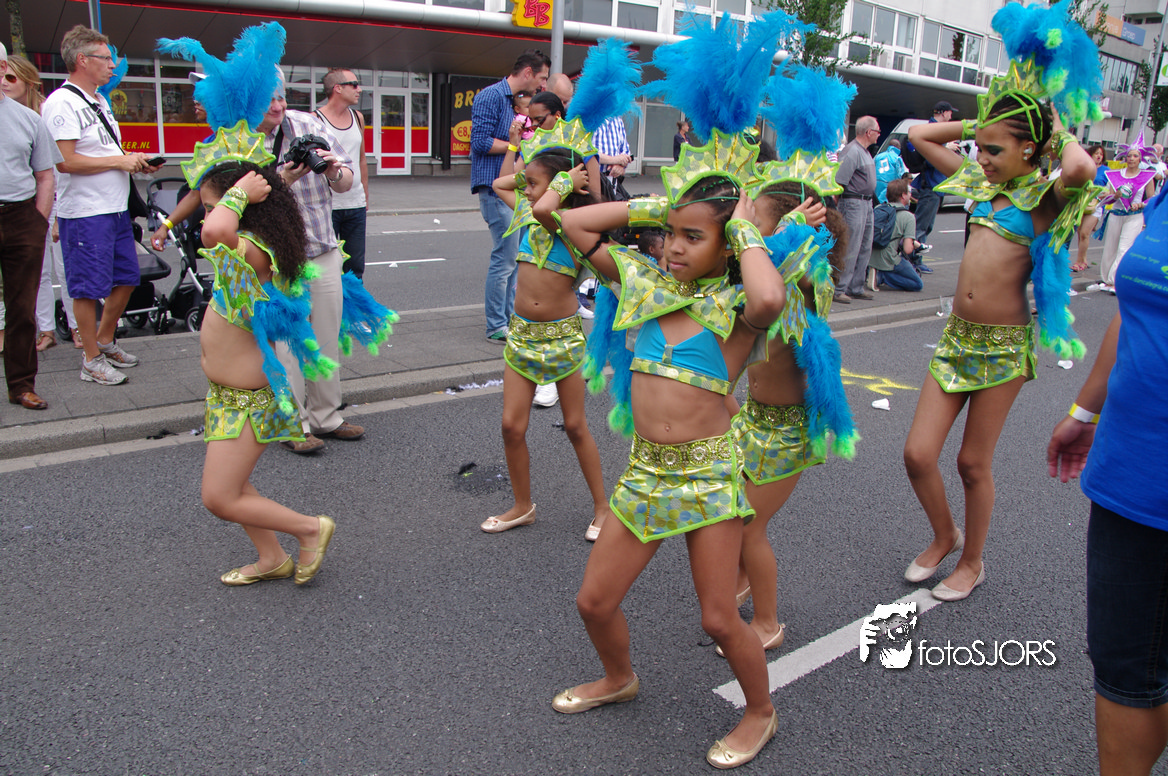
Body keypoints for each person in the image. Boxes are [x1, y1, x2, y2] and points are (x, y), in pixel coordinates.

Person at [901, 2, 1101, 602]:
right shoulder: (975, 184)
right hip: (956, 340)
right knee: (917, 454)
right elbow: (918, 135)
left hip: (1003, 348)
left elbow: (1081, 168)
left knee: (972, 463)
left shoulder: (1043, 200)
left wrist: (1052, 126)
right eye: (980, 148)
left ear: (1030, 150)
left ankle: (973, 562)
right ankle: (945, 535)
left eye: (994, 150)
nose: (982, 159)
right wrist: (980, 123)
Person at [1047, 182, 1168, 776]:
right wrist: (1086, 409)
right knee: (1125, 669)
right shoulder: (1163, 199)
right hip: (1133, 474)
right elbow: (1138, 308)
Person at [196, 159, 336, 587]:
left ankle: (309, 529)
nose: (208, 214)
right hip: (227, 395)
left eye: (212, 205)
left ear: (242, 206)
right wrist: (272, 184)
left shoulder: (253, 250)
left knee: (219, 497)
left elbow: (213, 232)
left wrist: (239, 192)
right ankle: (272, 557)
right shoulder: (248, 245)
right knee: (235, 488)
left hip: (249, 402)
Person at [487, 133, 614, 541]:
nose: (526, 190)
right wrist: (528, 169)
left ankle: (602, 507)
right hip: (521, 337)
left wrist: (563, 182)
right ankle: (522, 506)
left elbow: (546, 207)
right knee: (511, 427)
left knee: (575, 426)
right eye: (527, 184)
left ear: (562, 187)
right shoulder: (529, 213)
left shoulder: (572, 227)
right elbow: (499, 184)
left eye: (533, 184)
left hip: (564, 339)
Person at [42, 25, 162, 386]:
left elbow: (102, 151)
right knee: (86, 287)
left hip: (114, 209)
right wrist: (119, 161)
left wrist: (132, 160)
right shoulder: (61, 103)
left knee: (127, 277)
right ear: (82, 60)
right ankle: (91, 359)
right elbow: (65, 161)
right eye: (106, 58)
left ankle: (105, 340)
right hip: (86, 212)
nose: (113, 65)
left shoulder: (98, 100)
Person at [253, 76, 364, 454]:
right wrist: (283, 177)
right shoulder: (240, 137)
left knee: (326, 338)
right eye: (268, 98)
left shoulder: (307, 124)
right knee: (287, 345)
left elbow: (347, 181)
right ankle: (293, 424)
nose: (277, 106)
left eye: (281, 97)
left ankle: (325, 417)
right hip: (276, 259)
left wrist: (334, 171)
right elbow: (241, 201)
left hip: (322, 247)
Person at [470, 49, 551, 343]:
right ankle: (496, 324)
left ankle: (507, 319)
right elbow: (479, 141)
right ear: (528, 73)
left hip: (511, 189)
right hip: (494, 189)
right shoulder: (491, 96)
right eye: (542, 77)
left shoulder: (513, 101)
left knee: (514, 260)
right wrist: (517, 144)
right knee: (504, 260)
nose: (542, 85)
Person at [0, 42, 59, 410]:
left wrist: (39, 221)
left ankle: (21, 385)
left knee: (22, 307)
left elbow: (45, 175)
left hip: (21, 216)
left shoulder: (28, 119)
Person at [2, 53, 71, 353]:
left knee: (63, 267)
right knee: (37, 273)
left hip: (55, 199)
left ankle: (75, 327)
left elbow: (53, 171)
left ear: (28, 82)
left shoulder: (43, 114)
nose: (5, 83)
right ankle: (46, 329)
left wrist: (47, 219)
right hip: (26, 203)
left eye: (11, 77)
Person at [316, 68, 369, 279]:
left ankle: (352, 302)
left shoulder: (358, 117)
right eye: (354, 84)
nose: (359, 89)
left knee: (355, 268)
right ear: (337, 88)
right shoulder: (315, 120)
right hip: (326, 205)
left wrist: (365, 195)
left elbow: (361, 158)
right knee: (325, 265)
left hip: (355, 203)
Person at [832, 115, 880, 304]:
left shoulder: (863, 151)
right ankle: (839, 288)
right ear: (869, 132)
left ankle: (856, 286)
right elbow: (839, 183)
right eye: (877, 131)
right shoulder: (852, 152)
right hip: (853, 202)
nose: (879, 134)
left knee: (864, 246)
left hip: (865, 202)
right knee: (851, 246)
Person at [1098, 138, 1155, 290]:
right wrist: (1115, 195)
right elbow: (1108, 196)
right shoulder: (1116, 175)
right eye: (1129, 155)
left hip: (1134, 216)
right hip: (1116, 214)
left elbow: (1152, 198)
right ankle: (1106, 280)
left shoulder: (1147, 176)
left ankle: (1115, 280)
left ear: (1140, 158)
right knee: (1110, 248)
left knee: (1124, 248)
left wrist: (1141, 204)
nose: (1131, 158)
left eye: (1135, 156)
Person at [906, 101, 957, 245]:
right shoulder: (933, 130)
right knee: (922, 226)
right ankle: (912, 254)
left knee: (925, 225)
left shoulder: (933, 129)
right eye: (950, 112)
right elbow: (930, 158)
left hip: (933, 184)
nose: (951, 115)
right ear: (944, 113)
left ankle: (914, 254)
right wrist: (946, 149)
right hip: (931, 184)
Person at [870, 178, 924, 292]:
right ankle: (882, 277)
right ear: (903, 196)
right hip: (889, 259)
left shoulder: (878, 208)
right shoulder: (908, 217)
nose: (910, 195)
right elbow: (907, 249)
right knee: (917, 284)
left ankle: (874, 273)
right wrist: (916, 246)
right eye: (909, 193)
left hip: (871, 258)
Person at [1071, 144, 1107, 273]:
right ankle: (1084, 259)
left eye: (1101, 154)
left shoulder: (1106, 171)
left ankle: (1079, 262)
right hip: (1082, 204)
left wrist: (1103, 194)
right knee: (1080, 232)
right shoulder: (1085, 168)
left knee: (1085, 233)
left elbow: (1111, 189)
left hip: (1096, 205)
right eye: (1096, 153)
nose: (1099, 156)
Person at [873, 138, 908, 204]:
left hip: (877, 183)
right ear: (898, 147)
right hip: (890, 185)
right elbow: (900, 174)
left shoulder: (878, 156)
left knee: (876, 203)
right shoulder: (897, 158)